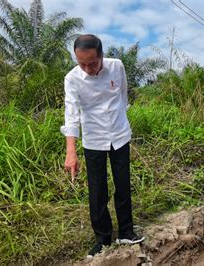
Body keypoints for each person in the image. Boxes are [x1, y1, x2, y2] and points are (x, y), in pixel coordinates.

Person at [60, 34, 144, 258]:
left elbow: (123, 96)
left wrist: (118, 119)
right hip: (94, 138)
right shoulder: (72, 79)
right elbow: (71, 115)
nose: (88, 68)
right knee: (98, 191)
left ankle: (126, 231)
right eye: (82, 64)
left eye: (93, 63)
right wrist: (71, 152)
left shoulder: (117, 67)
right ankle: (103, 238)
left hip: (119, 134)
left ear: (102, 56)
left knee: (123, 184)